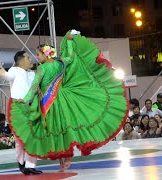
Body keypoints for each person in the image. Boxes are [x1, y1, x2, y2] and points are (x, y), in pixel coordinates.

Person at [8, 30, 128, 172]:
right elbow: (70, 57)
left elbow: (34, 87)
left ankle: (62, 160)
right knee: (66, 127)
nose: (36, 57)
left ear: (46, 54)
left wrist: (26, 99)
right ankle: (67, 159)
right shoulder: (60, 63)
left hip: (51, 104)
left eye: (38, 54)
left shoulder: (42, 68)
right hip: (64, 100)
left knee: (57, 129)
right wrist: (70, 41)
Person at [0, 50, 41, 175]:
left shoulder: (32, 74)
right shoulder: (14, 71)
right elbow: (8, 76)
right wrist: (3, 73)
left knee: (32, 135)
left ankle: (30, 165)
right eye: (28, 57)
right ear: (21, 61)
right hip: (16, 107)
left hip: (30, 107)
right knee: (20, 137)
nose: (30, 60)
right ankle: (21, 161)